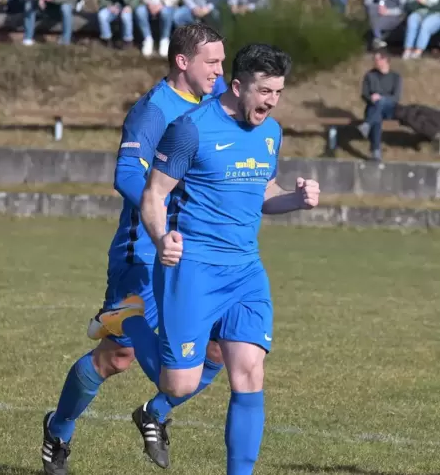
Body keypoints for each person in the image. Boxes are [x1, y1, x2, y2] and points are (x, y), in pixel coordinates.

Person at [101, 43, 320, 475]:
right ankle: (127, 318)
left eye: (278, 92)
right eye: (263, 91)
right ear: (237, 86)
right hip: (192, 271)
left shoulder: (271, 132)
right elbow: (153, 194)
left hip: (245, 272)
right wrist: (162, 238)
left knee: (249, 373)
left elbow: (263, 193)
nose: (271, 102)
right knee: (178, 382)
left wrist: (294, 199)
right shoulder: (191, 128)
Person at [41, 22, 226, 475]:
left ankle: (154, 413)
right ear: (183, 62)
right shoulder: (153, 111)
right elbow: (126, 176)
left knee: (222, 346)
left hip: (196, 252)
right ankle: (58, 430)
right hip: (143, 249)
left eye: (222, 62)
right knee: (117, 357)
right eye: (212, 62)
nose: (220, 71)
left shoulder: (213, 103)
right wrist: (164, 218)